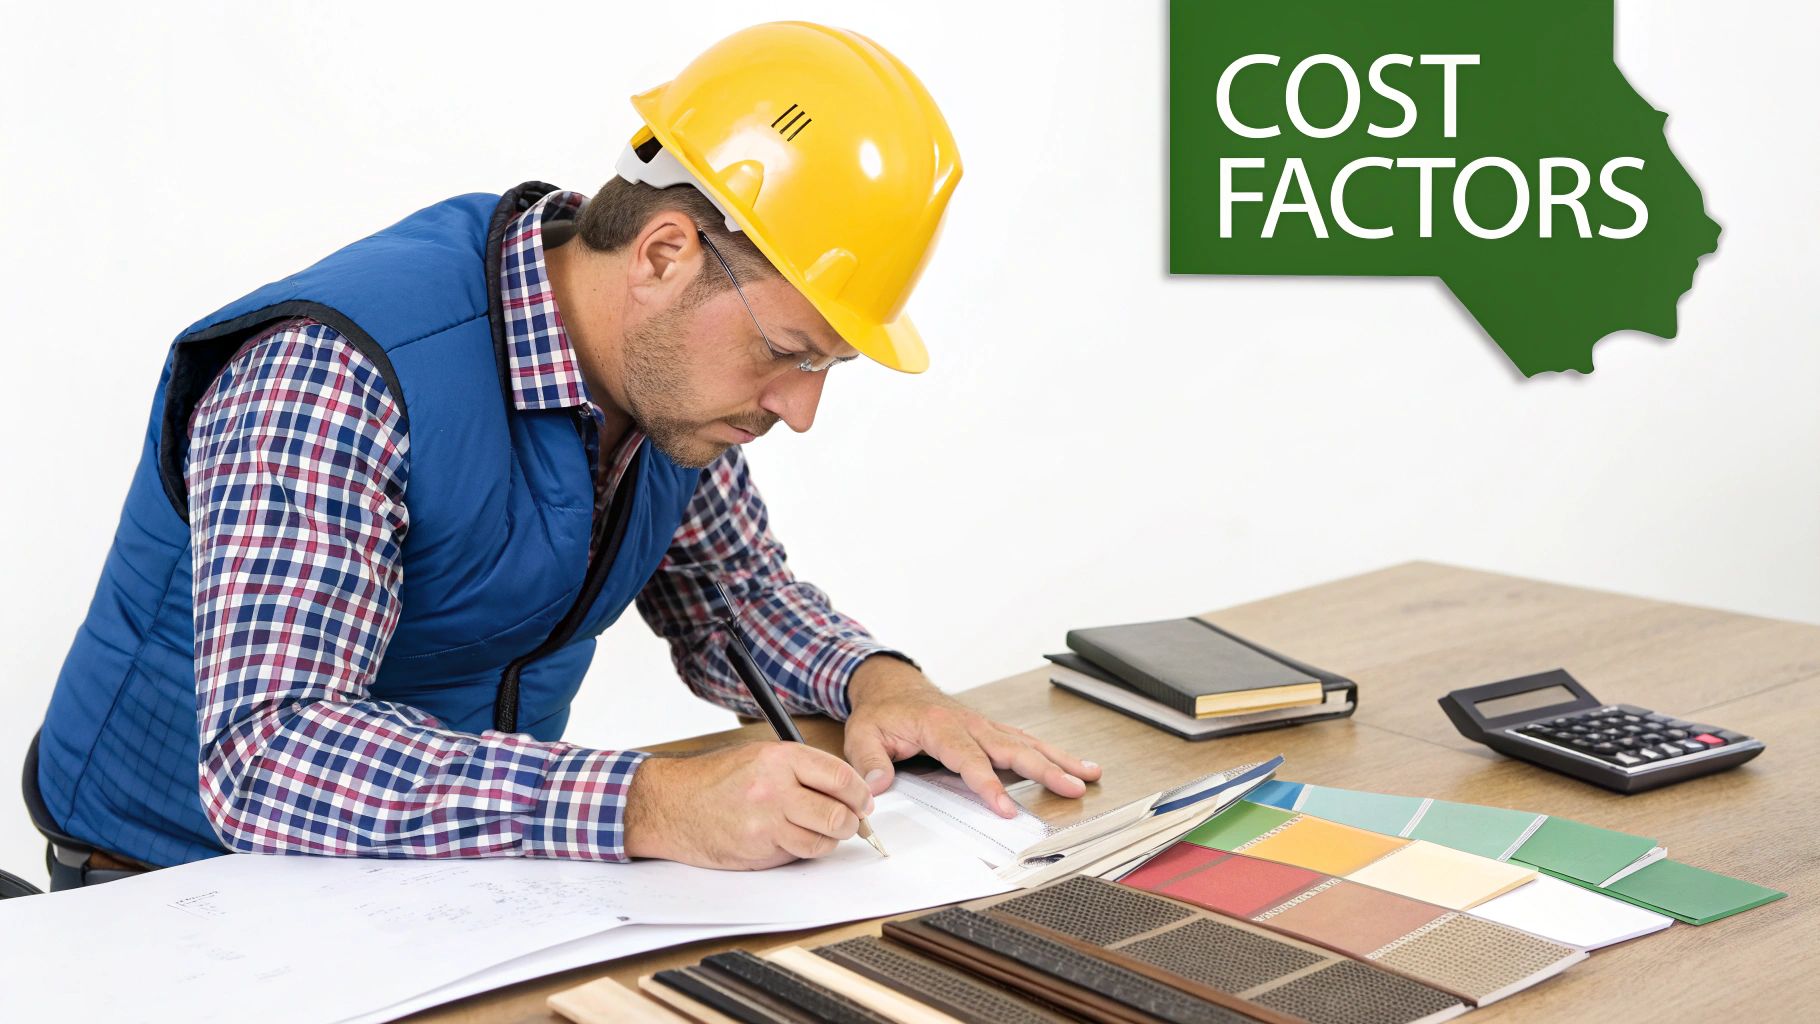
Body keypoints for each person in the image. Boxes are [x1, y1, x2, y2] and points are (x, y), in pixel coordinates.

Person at [26, 21, 1100, 889]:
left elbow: (729, 599)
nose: (800, 409)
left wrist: (882, 681)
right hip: (175, 891)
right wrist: (651, 804)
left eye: (824, 365)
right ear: (666, 252)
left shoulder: (667, 388)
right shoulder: (336, 373)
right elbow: (271, 757)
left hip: (447, 892)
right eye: (785, 352)